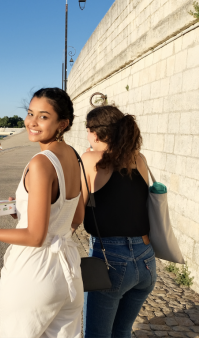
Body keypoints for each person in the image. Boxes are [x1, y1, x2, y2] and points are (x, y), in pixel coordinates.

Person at [0, 87, 84, 338]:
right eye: (30, 113)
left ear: (62, 123)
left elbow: (35, 237)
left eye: (43, 116)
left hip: (34, 273)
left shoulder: (41, 163)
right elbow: (75, 217)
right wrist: (25, 213)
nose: (32, 122)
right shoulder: (72, 156)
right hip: (68, 272)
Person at [72, 105, 155, 338]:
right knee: (122, 332)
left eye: (87, 130)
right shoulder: (139, 159)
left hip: (111, 259)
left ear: (95, 133)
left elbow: (77, 215)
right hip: (146, 258)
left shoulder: (89, 159)